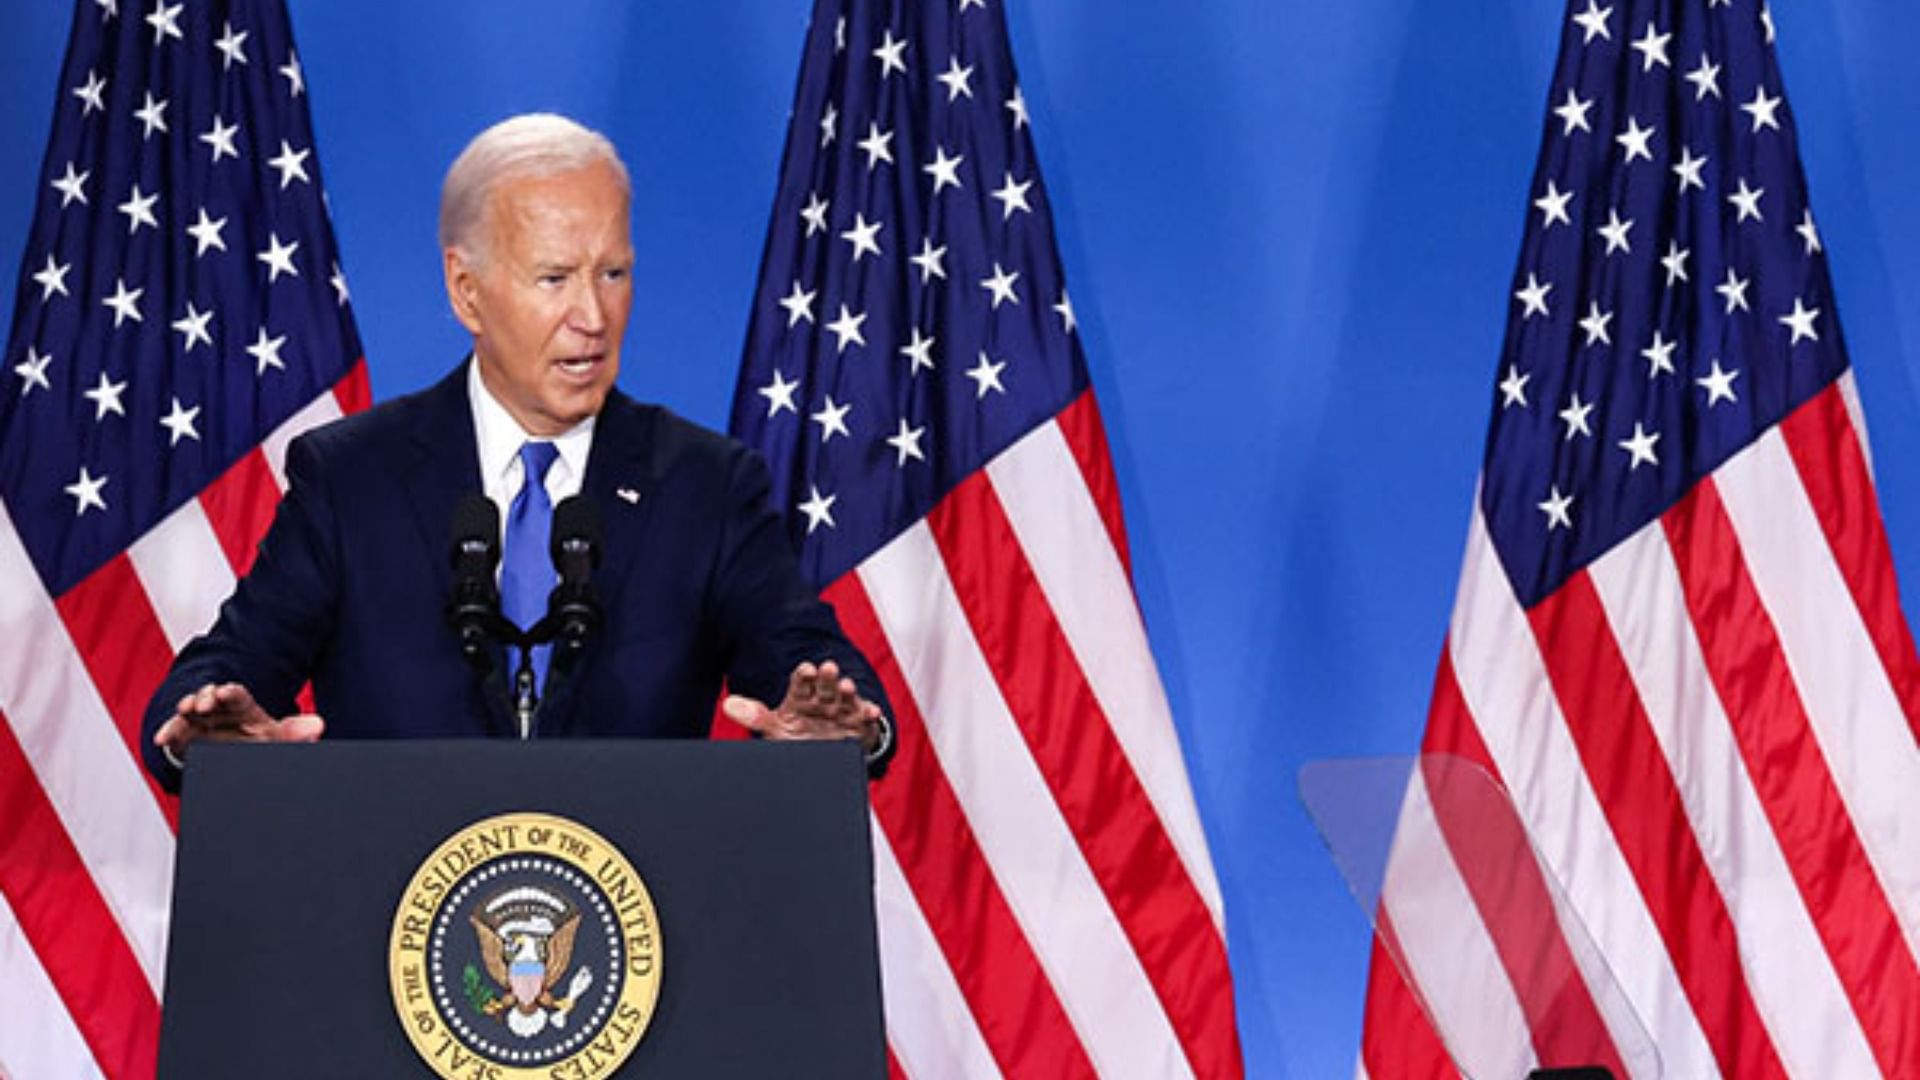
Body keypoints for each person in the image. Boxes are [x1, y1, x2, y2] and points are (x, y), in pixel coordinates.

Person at [142, 113, 891, 789]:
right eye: (554, 278)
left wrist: (832, 732)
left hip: (636, 912)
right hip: (400, 908)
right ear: (467, 292)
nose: (592, 317)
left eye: (613, 273)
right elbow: (230, 668)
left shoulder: (706, 484)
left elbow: (811, 667)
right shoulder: (351, 476)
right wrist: (208, 734)